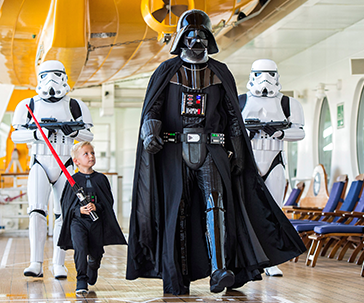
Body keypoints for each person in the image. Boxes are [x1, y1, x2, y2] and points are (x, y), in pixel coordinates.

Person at [126, 9, 306, 295]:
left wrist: (240, 152)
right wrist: (150, 132)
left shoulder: (220, 72)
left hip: (213, 148)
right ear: (181, 39)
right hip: (174, 151)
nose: (196, 40)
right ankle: (176, 276)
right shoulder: (166, 71)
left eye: (201, 35)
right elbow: (153, 109)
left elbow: (232, 115)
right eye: (191, 35)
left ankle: (219, 269)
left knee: (217, 205)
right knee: (179, 211)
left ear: (209, 38)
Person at [11, 60, 94, 279]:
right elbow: (16, 135)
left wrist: (72, 133)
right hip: (39, 162)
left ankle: (59, 263)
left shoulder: (75, 106)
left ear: (64, 77)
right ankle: (35, 262)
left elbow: (88, 135)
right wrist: (37, 134)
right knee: (36, 211)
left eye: (56, 74)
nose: (51, 80)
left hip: (65, 163)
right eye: (46, 75)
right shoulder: (29, 105)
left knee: (63, 214)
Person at [239, 59, 306, 277]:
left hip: (275, 159)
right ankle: (249, 257)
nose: (264, 79)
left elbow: (300, 132)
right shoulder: (241, 101)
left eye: (269, 74)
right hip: (248, 161)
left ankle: (271, 260)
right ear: (252, 75)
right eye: (259, 74)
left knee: (274, 211)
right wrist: (247, 132)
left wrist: (278, 133)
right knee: (248, 211)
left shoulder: (288, 103)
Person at [57, 141, 126, 296]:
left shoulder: (101, 179)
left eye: (92, 153)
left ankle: (93, 265)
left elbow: (108, 202)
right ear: (76, 161)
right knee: (80, 249)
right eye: (86, 154)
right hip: (78, 222)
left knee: (96, 251)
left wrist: (97, 207)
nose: (91, 156)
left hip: (96, 223)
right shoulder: (72, 180)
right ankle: (81, 279)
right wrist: (79, 210)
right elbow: (66, 205)